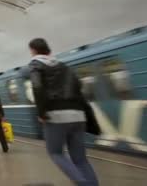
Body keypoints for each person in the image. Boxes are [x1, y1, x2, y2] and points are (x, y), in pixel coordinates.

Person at [27, 38, 99, 186]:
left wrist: (41, 113)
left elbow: (37, 88)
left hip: (56, 116)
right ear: (49, 50)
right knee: (80, 159)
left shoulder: (35, 65)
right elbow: (78, 88)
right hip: (78, 115)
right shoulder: (65, 66)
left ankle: (83, 184)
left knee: (56, 153)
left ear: (33, 50)